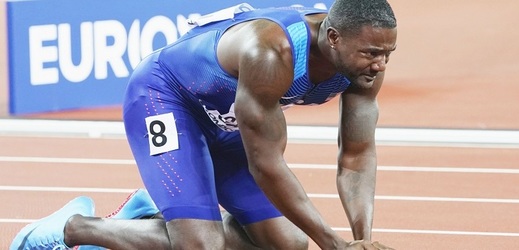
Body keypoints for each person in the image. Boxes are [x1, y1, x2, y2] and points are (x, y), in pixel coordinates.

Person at [11, 0, 398, 249]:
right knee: (201, 246)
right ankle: (73, 228)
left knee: (290, 245)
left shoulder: (363, 68)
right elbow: (266, 164)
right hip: (164, 97)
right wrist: (333, 244)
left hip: (226, 119)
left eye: (387, 53)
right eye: (372, 53)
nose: (380, 65)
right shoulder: (271, 52)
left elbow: (357, 155)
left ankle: (155, 219)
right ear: (332, 37)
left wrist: (362, 241)